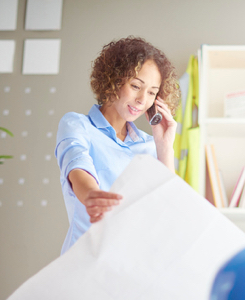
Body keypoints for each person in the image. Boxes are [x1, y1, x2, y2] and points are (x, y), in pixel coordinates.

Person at [55, 36, 181, 254]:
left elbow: (169, 211)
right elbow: (78, 168)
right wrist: (92, 195)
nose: (143, 99)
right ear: (113, 80)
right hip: (85, 261)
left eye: (152, 92)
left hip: (132, 266)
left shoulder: (151, 146)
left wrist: (165, 147)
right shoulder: (78, 125)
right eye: (135, 86)